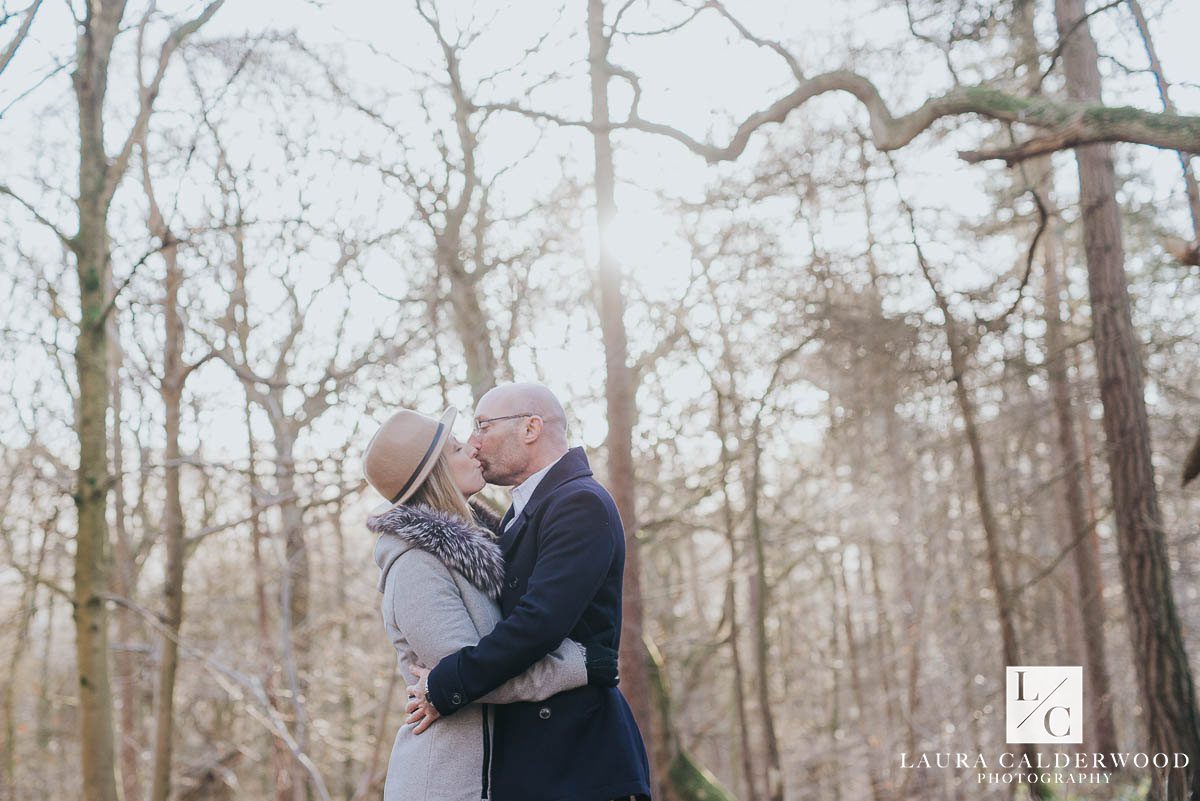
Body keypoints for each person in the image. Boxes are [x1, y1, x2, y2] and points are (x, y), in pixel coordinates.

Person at [405, 384, 652, 801]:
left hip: (582, 760)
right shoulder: (524, 509)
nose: (475, 441)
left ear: (532, 428)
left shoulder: (579, 503)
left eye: (483, 425)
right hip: (542, 760)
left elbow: (539, 623)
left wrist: (446, 685)